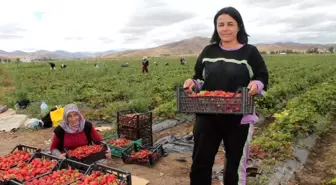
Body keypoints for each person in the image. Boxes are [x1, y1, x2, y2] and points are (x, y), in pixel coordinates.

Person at [183, 7, 268, 185]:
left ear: (239, 27)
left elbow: (262, 77)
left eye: (230, 24)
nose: (225, 28)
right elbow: (199, 77)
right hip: (207, 114)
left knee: (234, 168)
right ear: (216, 27)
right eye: (220, 24)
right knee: (201, 163)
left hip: (239, 116)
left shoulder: (250, 52)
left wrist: (255, 85)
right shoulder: (208, 51)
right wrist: (193, 83)